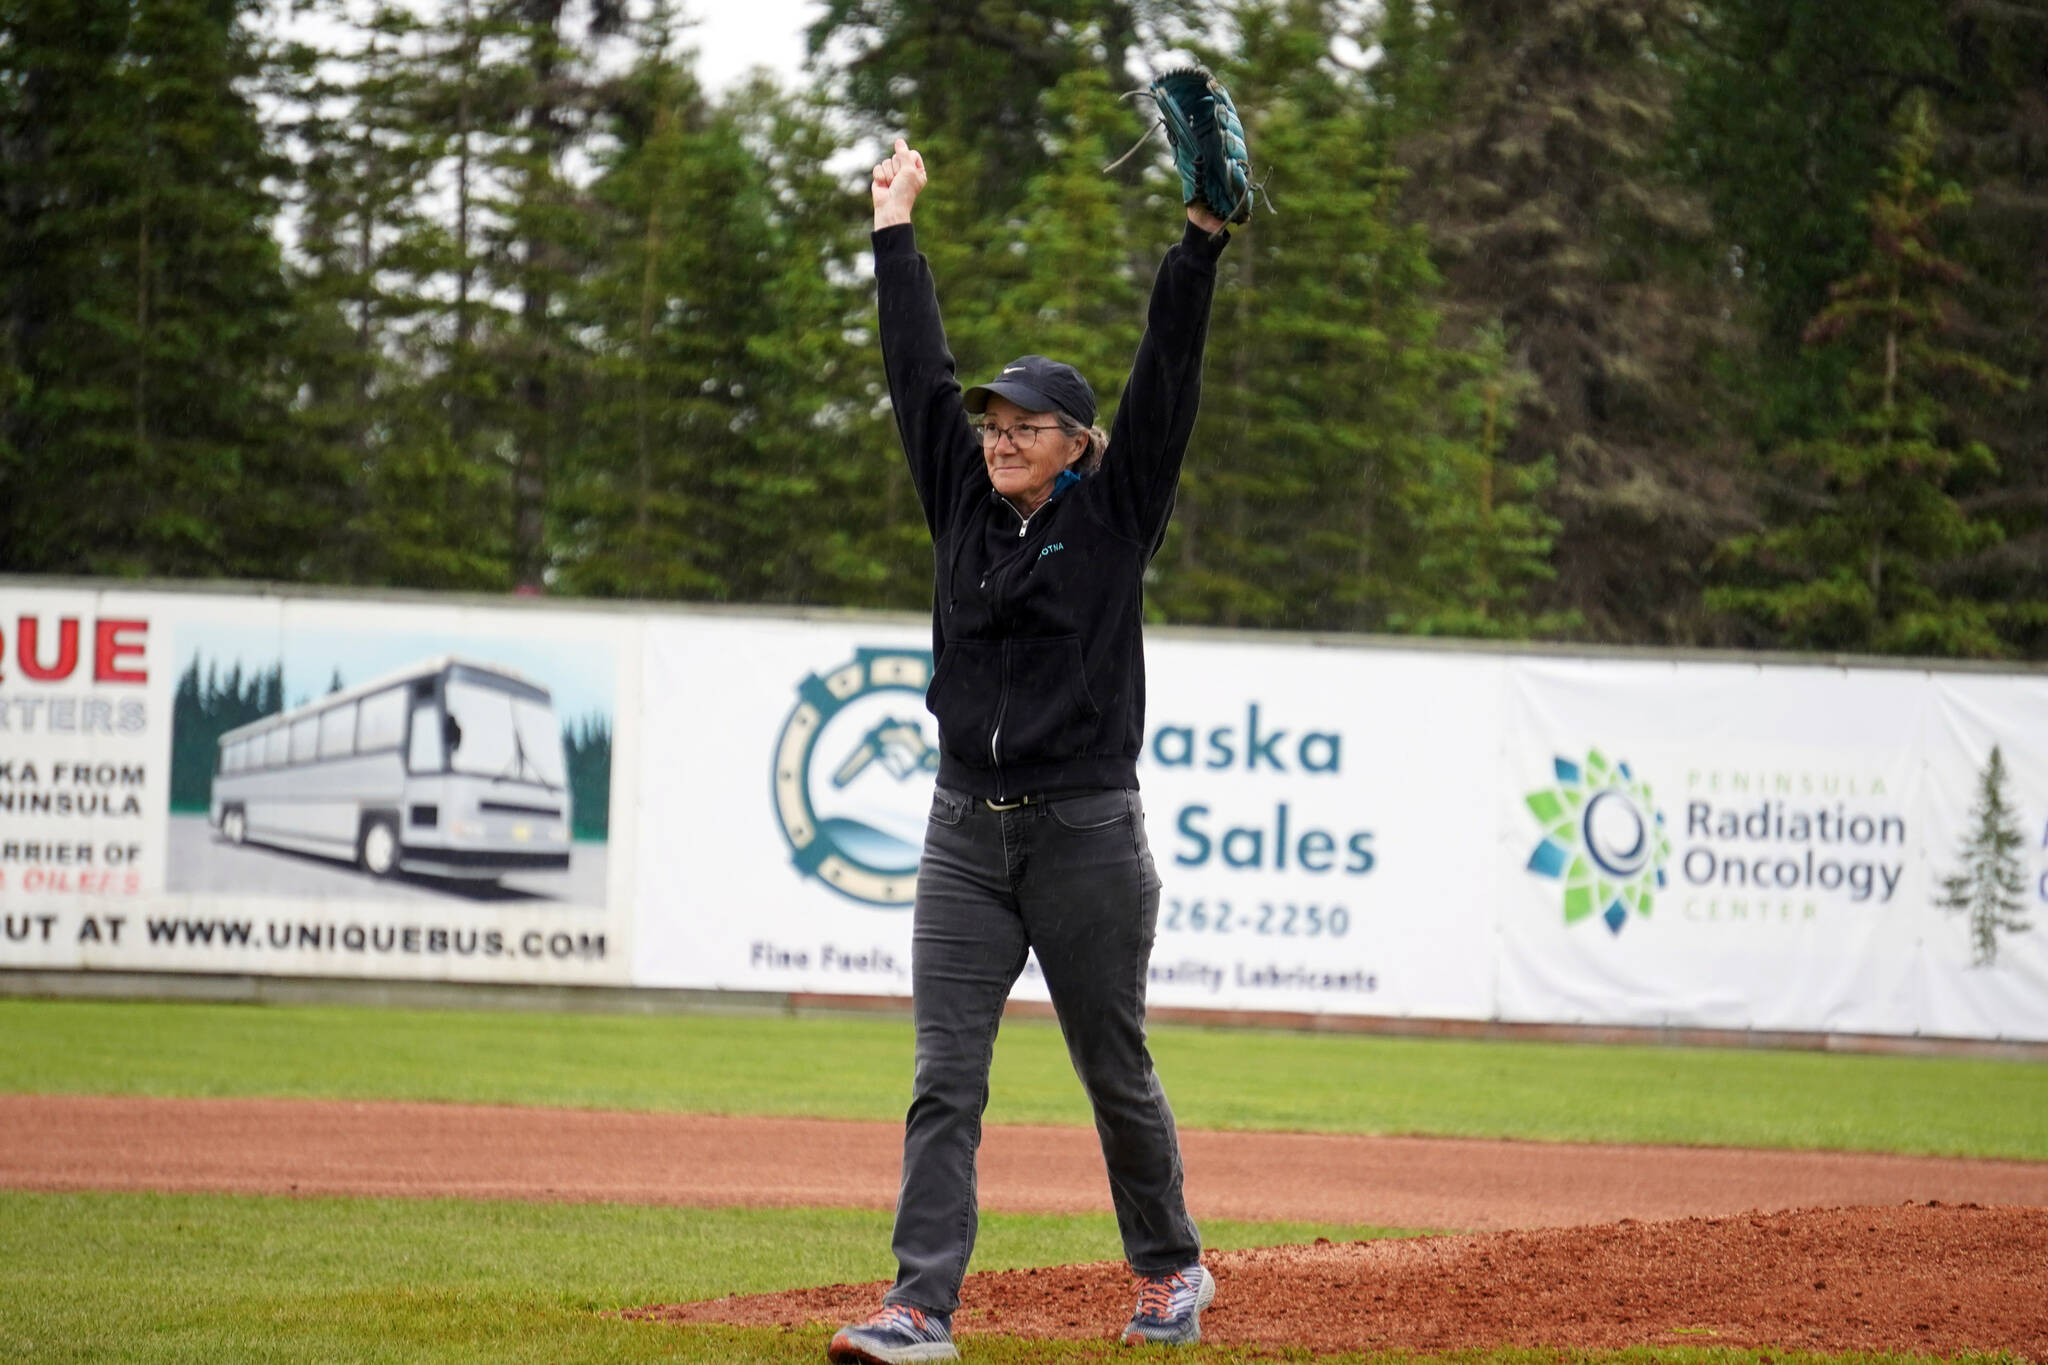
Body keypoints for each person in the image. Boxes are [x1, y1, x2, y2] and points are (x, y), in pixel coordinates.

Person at [827, 137, 1231, 1365]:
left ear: (1073, 442)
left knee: (1113, 1070)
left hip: (1084, 835)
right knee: (944, 1076)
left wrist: (1198, 244)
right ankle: (919, 1308)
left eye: (1023, 423)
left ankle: (1169, 1271)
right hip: (962, 832)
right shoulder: (959, 498)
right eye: (992, 420)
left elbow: (1165, 375)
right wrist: (892, 231)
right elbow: (915, 368)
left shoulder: (1114, 515)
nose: (996, 434)